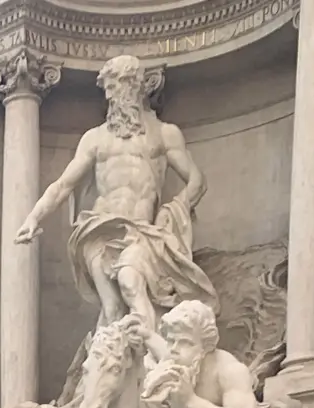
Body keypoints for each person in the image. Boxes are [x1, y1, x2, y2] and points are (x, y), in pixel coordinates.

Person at [15, 53, 216, 335]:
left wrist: (172, 213)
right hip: (98, 230)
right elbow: (63, 185)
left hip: (141, 232)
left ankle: (151, 354)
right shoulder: (95, 139)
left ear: (134, 86)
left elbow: (197, 180)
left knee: (130, 284)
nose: (109, 95)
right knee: (111, 307)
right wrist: (33, 218)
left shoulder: (164, 134)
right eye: (107, 89)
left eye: (114, 86)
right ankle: (106, 359)